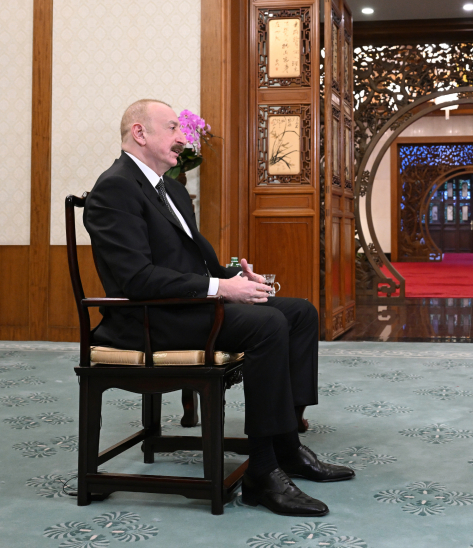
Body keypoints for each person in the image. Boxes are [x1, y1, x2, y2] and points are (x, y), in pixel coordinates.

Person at [84, 99, 354, 517]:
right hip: (149, 319)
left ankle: (286, 446)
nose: (182, 137)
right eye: (172, 128)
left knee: (300, 313)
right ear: (140, 133)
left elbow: (194, 262)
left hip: (184, 306)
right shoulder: (114, 187)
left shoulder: (171, 188)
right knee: (267, 325)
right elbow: (135, 279)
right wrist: (221, 288)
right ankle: (262, 472)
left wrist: (235, 277)